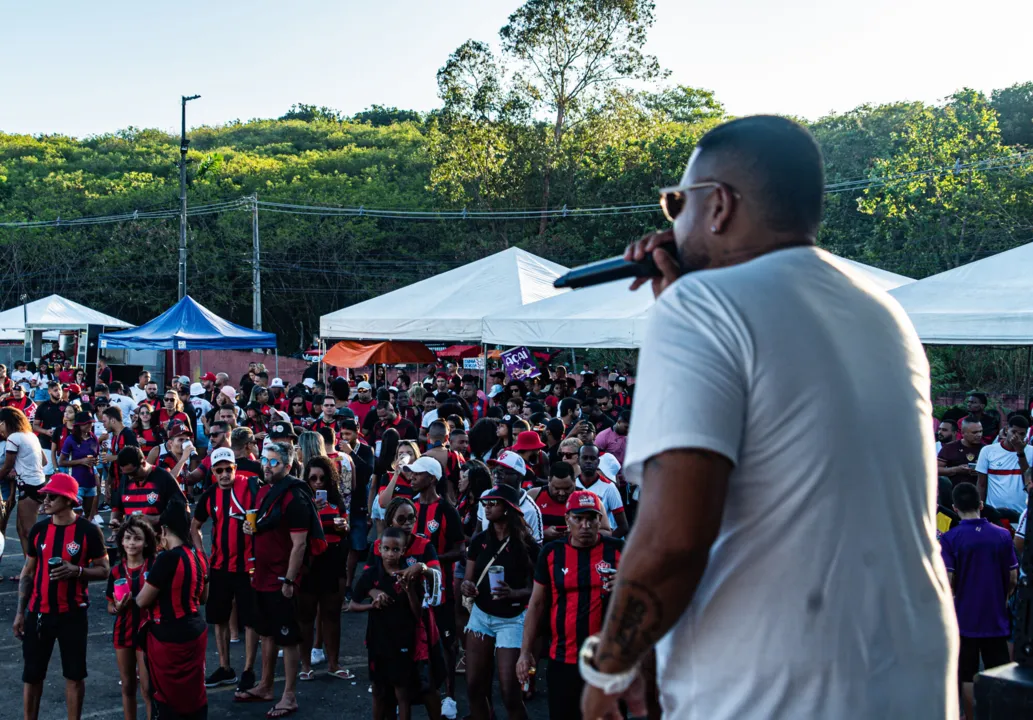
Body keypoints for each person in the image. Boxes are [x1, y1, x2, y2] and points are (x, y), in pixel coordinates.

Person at [579, 115, 957, 719]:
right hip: (909, 680)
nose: (671, 221)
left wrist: (610, 666)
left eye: (677, 202)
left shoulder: (701, 308)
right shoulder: (885, 314)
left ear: (720, 206)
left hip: (769, 692)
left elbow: (673, 539)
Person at [518, 490, 623, 719]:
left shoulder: (618, 551)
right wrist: (525, 653)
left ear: (599, 520)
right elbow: (536, 605)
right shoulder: (551, 553)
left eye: (591, 518)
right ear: (567, 520)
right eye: (579, 518)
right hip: (564, 659)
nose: (585, 525)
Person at [14, 472, 109, 720]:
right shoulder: (39, 530)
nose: (45, 501)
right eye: (45, 496)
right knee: (32, 676)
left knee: (74, 676)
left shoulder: (88, 531)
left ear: (68, 500)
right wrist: (19, 613)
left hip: (73, 614)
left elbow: (104, 569)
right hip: (38, 613)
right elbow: (28, 572)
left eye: (51, 497)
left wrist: (77, 571)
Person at [235, 441, 312, 718]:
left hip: (282, 578)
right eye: (265, 460)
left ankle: (289, 695)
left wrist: (289, 580)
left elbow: (300, 543)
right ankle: (266, 686)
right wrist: (248, 527)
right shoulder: (264, 490)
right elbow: (261, 525)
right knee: (265, 631)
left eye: (274, 462)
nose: (267, 466)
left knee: (287, 638)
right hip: (262, 576)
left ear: (288, 466)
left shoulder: (294, 496)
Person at [462, 484, 540, 720]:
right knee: (474, 687)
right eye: (485, 503)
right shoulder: (479, 540)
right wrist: (467, 587)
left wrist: (514, 593)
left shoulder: (526, 545)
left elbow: (539, 589)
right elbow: (468, 579)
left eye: (493, 503)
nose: (487, 507)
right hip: (481, 616)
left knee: (509, 692)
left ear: (508, 508)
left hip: (512, 620)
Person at [940, 482, 1018, 718]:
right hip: (996, 618)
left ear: (955, 507)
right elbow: (1013, 576)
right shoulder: (1003, 535)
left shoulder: (950, 538)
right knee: (1000, 675)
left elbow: (948, 579)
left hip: (964, 620)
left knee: (966, 675)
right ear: (981, 504)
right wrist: (1003, 597)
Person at [351, 526, 445, 720]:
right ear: (379, 549)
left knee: (403, 692)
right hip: (378, 640)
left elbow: (418, 612)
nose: (390, 553)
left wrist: (409, 590)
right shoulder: (372, 574)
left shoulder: (409, 574)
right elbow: (352, 603)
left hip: (403, 641)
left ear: (403, 551)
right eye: (386, 548)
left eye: (395, 549)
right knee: (378, 689)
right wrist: (373, 604)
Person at [190, 447, 259, 692]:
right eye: (218, 470)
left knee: (251, 619)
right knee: (218, 618)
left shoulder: (252, 487)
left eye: (228, 469)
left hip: (248, 566)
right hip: (219, 566)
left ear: (235, 468)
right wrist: (201, 556)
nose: (224, 474)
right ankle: (225, 667)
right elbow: (195, 526)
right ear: (213, 473)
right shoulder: (210, 495)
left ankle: (249, 670)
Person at [134, 504, 210, 720]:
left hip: (169, 635)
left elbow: (142, 601)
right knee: (194, 696)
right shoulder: (195, 556)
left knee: (170, 700)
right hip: (195, 629)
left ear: (165, 530)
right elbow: (203, 598)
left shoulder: (167, 558)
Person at [297, 456, 354, 681]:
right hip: (309, 562)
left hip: (333, 561)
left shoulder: (336, 501)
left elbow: (344, 526)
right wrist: (311, 508)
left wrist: (344, 526)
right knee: (306, 616)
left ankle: (333, 663)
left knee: (332, 615)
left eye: (323, 478)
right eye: (313, 478)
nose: (318, 483)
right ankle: (304, 665)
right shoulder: (301, 501)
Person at [107, 515, 157, 720]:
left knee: (147, 688)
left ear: (146, 542)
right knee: (128, 685)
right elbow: (110, 604)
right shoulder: (117, 570)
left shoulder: (154, 566)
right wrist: (117, 608)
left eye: (136, 538)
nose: (131, 543)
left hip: (148, 631)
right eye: (127, 538)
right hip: (123, 630)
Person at [0, 407, 46, 559]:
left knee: (28, 530)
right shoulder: (30, 435)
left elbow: (6, 467)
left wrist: (16, 470)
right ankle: (29, 568)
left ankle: (35, 568)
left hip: (29, 485)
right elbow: (44, 461)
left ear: (7, 422)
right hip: (37, 482)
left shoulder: (13, 438)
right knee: (21, 529)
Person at [476, 451, 544, 543]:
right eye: (495, 470)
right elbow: (478, 531)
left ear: (518, 477)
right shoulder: (486, 496)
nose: (497, 475)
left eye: (503, 472)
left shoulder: (530, 510)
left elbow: (536, 548)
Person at [111, 446, 185, 529]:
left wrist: (154, 519)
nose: (130, 478)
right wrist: (114, 520)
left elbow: (182, 509)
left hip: (157, 537)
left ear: (143, 463)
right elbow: (117, 507)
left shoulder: (163, 478)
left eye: (133, 473)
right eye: (126, 474)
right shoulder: (126, 478)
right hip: (132, 538)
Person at [975, 414, 1032, 521]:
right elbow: (981, 484)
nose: (1017, 436)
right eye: (1014, 432)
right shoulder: (988, 451)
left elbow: (1028, 481)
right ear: (1006, 430)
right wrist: (980, 510)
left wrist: (1020, 452)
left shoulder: (1031, 452)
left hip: (1022, 513)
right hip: (994, 512)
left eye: (1021, 434)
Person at [574, 444, 628, 538]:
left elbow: (623, 526)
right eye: (585, 458)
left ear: (598, 462)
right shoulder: (572, 485)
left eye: (592, 458)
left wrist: (606, 544)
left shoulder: (609, 487)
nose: (588, 461)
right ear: (578, 460)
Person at [60, 411, 102, 522]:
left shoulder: (94, 439)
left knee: (88, 513)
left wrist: (95, 462)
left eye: (91, 423)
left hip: (90, 481)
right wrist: (81, 461)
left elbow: (96, 459)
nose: (90, 425)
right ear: (78, 425)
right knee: (75, 513)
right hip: (76, 481)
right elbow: (62, 462)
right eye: (86, 423)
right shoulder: (71, 439)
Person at [529, 462, 578, 541]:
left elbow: (603, 530)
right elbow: (519, 529)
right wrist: (542, 534)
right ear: (549, 481)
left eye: (567, 488)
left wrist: (577, 533)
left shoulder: (585, 498)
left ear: (574, 481)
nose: (561, 493)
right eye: (556, 488)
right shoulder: (533, 496)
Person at [31, 381, 67, 476]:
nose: (58, 392)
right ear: (49, 392)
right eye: (55, 390)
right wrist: (46, 431)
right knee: (47, 472)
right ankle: (47, 491)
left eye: (60, 390)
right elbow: (35, 426)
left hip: (63, 444)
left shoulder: (67, 406)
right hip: (46, 443)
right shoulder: (43, 406)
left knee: (63, 473)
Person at [938, 417, 983, 490]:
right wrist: (956, 469)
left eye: (980, 431)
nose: (979, 435)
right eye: (974, 432)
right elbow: (936, 469)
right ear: (963, 433)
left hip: (979, 493)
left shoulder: (986, 449)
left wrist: (981, 470)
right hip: (954, 492)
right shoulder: (949, 448)